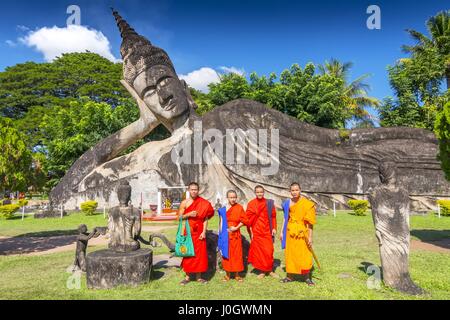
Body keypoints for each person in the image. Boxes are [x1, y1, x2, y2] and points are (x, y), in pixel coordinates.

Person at [178, 182, 214, 285]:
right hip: (188, 231)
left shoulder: (204, 203)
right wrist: (188, 214)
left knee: (199, 255)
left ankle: (199, 277)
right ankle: (187, 277)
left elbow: (205, 219)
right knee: (188, 253)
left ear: (198, 190)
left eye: (196, 189)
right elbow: (179, 217)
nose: (194, 191)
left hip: (199, 232)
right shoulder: (184, 203)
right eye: (192, 189)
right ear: (189, 190)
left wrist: (204, 232)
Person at [280, 183, 317, 286]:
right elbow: (285, 218)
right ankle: (289, 276)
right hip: (290, 232)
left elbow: (310, 223)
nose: (295, 192)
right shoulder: (287, 203)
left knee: (304, 255)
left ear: (300, 190)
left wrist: (310, 237)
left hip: (302, 233)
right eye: (292, 190)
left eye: (296, 190)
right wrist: (282, 232)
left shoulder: (307, 204)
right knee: (290, 255)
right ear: (290, 191)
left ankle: (307, 278)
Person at [245, 185, 278, 278]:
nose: (259, 193)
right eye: (258, 192)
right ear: (255, 193)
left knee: (269, 251)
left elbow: (273, 216)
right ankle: (262, 271)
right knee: (259, 252)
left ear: (264, 192)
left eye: (261, 192)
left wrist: (274, 228)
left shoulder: (269, 203)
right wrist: (250, 231)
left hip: (267, 231)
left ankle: (270, 270)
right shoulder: (251, 204)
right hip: (257, 231)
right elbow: (247, 218)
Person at [218, 190, 249, 282]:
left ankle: (237, 275)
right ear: (227, 198)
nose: (233, 199)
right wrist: (220, 234)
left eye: (234, 197)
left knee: (236, 254)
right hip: (225, 235)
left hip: (235, 235)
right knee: (226, 254)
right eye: (231, 197)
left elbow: (245, 220)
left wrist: (236, 228)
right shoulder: (223, 209)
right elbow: (221, 222)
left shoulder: (239, 208)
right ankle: (227, 275)